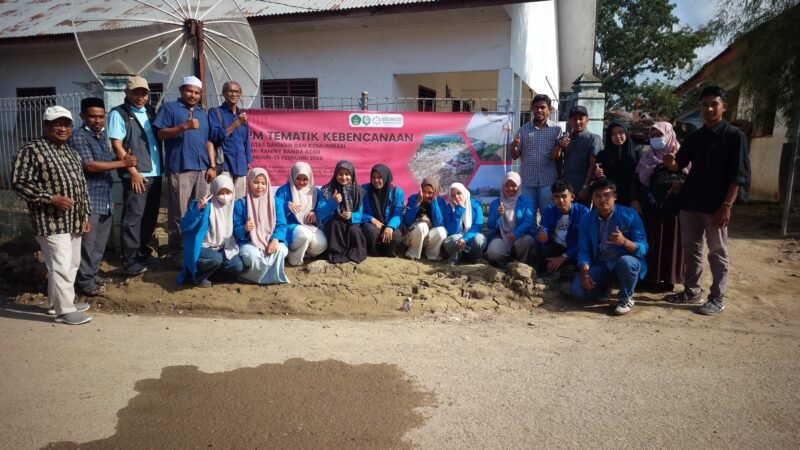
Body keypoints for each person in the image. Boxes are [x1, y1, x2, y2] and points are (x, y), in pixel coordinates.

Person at [662, 85, 750, 315]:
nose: (709, 109)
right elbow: (678, 164)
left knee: (717, 252)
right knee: (691, 248)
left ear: (724, 107)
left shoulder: (734, 136)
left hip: (716, 206)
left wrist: (727, 206)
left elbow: (738, 176)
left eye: (714, 104)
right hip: (690, 202)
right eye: (705, 105)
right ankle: (691, 290)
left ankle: (717, 298)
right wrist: (669, 161)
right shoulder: (695, 137)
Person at [12, 106, 92, 325]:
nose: (63, 128)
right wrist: (51, 198)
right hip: (50, 220)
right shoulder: (32, 150)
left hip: (73, 219)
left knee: (72, 262)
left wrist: (85, 214)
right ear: (45, 126)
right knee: (61, 264)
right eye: (57, 124)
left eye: (67, 124)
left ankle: (56, 303)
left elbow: (81, 186)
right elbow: (19, 183)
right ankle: (64, 310)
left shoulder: (70, 151)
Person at [70, 97, 137, 296]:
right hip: (88, 200)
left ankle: (92, 275)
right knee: (88, 245)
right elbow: (89, 165)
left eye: (101, 116)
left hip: (104, 199)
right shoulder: (79, 136)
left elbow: (105, 169)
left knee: (99, 243)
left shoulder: (100, 137)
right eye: (92, 116)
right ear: (83, 116)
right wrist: (123, 163)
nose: (97, 120)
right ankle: (84, 283)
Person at [108, 75, 163, 275]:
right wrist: (133, 172)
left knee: (149, 216)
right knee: (133, 218)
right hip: (138, 175)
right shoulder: (119, 114)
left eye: (143, 93)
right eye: (136, 93)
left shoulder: (149, 112)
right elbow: (117, 145)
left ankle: (142, 252)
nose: (140, 97)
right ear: (127, 93)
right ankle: (129, 261)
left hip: (155, 172)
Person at [154, 75, 216, 252]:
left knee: (201, 209)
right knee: (179, 211)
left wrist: (212, 166)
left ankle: (198, 247)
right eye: (189, 91)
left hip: (203, 169)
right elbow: (161, 134)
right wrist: (183, 127)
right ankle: (178, 250)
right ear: (181, 90)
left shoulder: (202, 114)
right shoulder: (169, 108)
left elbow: (208, 141)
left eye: (197, 93)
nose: (193, 95)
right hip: (180, 168)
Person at [570, 179, 648, 316]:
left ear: (615, 196)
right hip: (603, 264)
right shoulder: (587, 219)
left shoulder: (629, 215)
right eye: (597, 196)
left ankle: (625, 298)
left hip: (625, 263)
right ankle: (603, 288)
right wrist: (585, 274)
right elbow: (584, 250)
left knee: (625, 262)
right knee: (577, 291)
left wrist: (624, 242)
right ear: (592, 198)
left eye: (607, 195)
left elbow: (643, 248)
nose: (602, 199)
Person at [631, 121, 687, 291]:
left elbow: (689, 178)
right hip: (650, 210)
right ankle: (651, 278)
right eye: (653, 135)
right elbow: (636, 181)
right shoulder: (646, 157)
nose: (656, 138)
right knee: (652, 243)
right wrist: (635, 200)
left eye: (659, 135)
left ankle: (669, 280)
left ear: (669, 134)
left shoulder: (682, 156)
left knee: (671, 244)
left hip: (673, 212)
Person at [177, 174, 244, 287]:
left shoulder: (234, 207)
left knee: (237, 266)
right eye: (221, 192)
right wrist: (198, 209)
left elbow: (238, 228)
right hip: (204, 247)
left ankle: (212, 276)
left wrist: (245, 228)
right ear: (214, 191)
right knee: (215, 258)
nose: (225, 196)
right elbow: (184, 225)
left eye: (228, 193)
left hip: (224, 247)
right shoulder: (205, 205)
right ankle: (198, 277)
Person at [509, 94, 564, 213]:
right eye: (536, 107)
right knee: (528, 215)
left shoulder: (556, 130)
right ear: (532, 109)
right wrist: (513, 147)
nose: (539, 110)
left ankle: (545, 232)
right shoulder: (523, 130)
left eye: (543, 107)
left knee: (548, 214)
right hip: (528, 182)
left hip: (548, 181)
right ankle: (531, 232)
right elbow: (515, 155)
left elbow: (557, 157)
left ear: (549, 109)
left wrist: (560, 176)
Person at [233, 168, 289, 284]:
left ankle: (257, 275)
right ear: (249, 182)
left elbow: (282, 225)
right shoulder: (241, 203)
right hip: (249, 242)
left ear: (268, 184)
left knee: (281, 251)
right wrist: (244, 229)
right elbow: (235, 228)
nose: (259, 186)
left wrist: (275, 239)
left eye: (263, 183)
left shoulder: (276, 202)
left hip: (270, 240)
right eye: (256, 182)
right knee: (252, 257)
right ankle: (256, 276)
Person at [530, 179, 589, 278]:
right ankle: (556, 272)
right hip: (557, 248)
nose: (560, 200)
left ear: (572, 197)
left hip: (575, 250)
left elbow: (585, 241)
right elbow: (544, 229)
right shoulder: (549, 210)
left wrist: (564, 257)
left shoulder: (583, 212)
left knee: (583, 258)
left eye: (564, 196)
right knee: (537, 252)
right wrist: (541, 236)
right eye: (556, 197)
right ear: (552, 199)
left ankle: (566, 271)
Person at [275, 162, 328, 266]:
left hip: (309, 226)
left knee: (322, 245)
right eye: (298, 178)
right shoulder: (283, 191)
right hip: (290, 227)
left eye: (305, 179)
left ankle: (301, 252)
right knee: (304, 234)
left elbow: (321, 208)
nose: (301, 182)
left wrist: (314, 211)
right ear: (293, 176)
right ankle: (294, 259)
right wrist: (286, 206)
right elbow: (275, 211)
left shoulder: (315, 192)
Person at [209, 81, 252, 198]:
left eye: (236, 91)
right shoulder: (216, 112)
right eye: (230, 91)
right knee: (223, 200)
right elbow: (215, 136)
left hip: (241, 165)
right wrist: (236, 123)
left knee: (238, 201)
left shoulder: (242, 116)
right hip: (224, 165)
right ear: (223, 93)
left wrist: (248, 161)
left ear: (240, 94)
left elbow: (246, 141)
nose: (233, 94)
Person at [319, 160, 367, 264]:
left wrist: (351, 216)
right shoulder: (326, 190)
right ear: (335, 174)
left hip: (351, 221)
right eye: (340, 174)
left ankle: (356, 254)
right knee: (335, 225)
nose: (343, 177)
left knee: (354, 230)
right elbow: (320, 214)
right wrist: (333, 202)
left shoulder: (358, 191)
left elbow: (360, 213)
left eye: (347, 174)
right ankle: (337, 253)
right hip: (333, 222)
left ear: (352, 175)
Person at [485, 171, 535, 267]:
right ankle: (505, 265)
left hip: (520, 236)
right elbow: (490, 225)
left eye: (514, 185)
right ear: (503, 186)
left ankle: (519, 265)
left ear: (519, 186)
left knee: (527, 240)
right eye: (507, 186)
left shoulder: (526, 201)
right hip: (501, 237)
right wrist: (497, 214)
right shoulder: (496, 203)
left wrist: (516, 233)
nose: (510, 188)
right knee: (493, 252)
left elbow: (528, 221)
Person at [560, 105, 602, 203]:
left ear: (587, 120)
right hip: (566, 187)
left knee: (582, 216)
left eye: (580, 119)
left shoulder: (593, 138)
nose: (577, 122)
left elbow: (593, 165)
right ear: (570, 121)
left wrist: (585, 187)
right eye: (574, 119)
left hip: (582, 187)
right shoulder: (566, 139)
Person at [361, 164, 404, 257]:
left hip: (389, 222)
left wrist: (390, 226)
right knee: (371, 231)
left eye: (380, 177)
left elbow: (398, 214)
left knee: (396, 235)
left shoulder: (397, 192)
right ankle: (374, 252)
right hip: (371, 223)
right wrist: (371, 219)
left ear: (386, 177)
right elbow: (358, 210)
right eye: (373, 177)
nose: (376, 180)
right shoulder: (364, 189)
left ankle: (389, 253)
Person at [594, 120, 640, 206]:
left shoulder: (637, 154)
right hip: (608, 198)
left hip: (631, 199)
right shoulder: (602, 155)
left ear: (626, 133)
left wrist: (635, 199)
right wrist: (598, 175)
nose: (617, 136)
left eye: (621, 132)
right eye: (613, 134)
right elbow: (598, 179)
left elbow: (638, 179)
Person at [402, 177, 447, 261]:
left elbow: (438, 223)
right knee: (422, 226)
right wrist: (418, 203)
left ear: (436, 192)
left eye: (430, 193)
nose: (426, 195)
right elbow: (407, 221)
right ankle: (413, 252)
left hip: (429, 238)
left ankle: (431, 255)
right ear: (420, 189)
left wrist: (434, 202)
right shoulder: (413, 198)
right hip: (412, 236)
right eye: (424, 191)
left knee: (441, 231)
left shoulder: (440, 201)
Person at [442, 183, 487, 265]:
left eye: (459, 193)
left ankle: (476, 259)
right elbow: (453, 231)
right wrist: (459, 210)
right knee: (451, 240)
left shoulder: (475, 205)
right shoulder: (448, 208)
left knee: (479, 239)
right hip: (457, 237)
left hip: (471, 236)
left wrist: (465, 239)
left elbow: (477, 226)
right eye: (453, 195)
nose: (456, 197)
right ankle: (457, 259)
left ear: (464, 192)